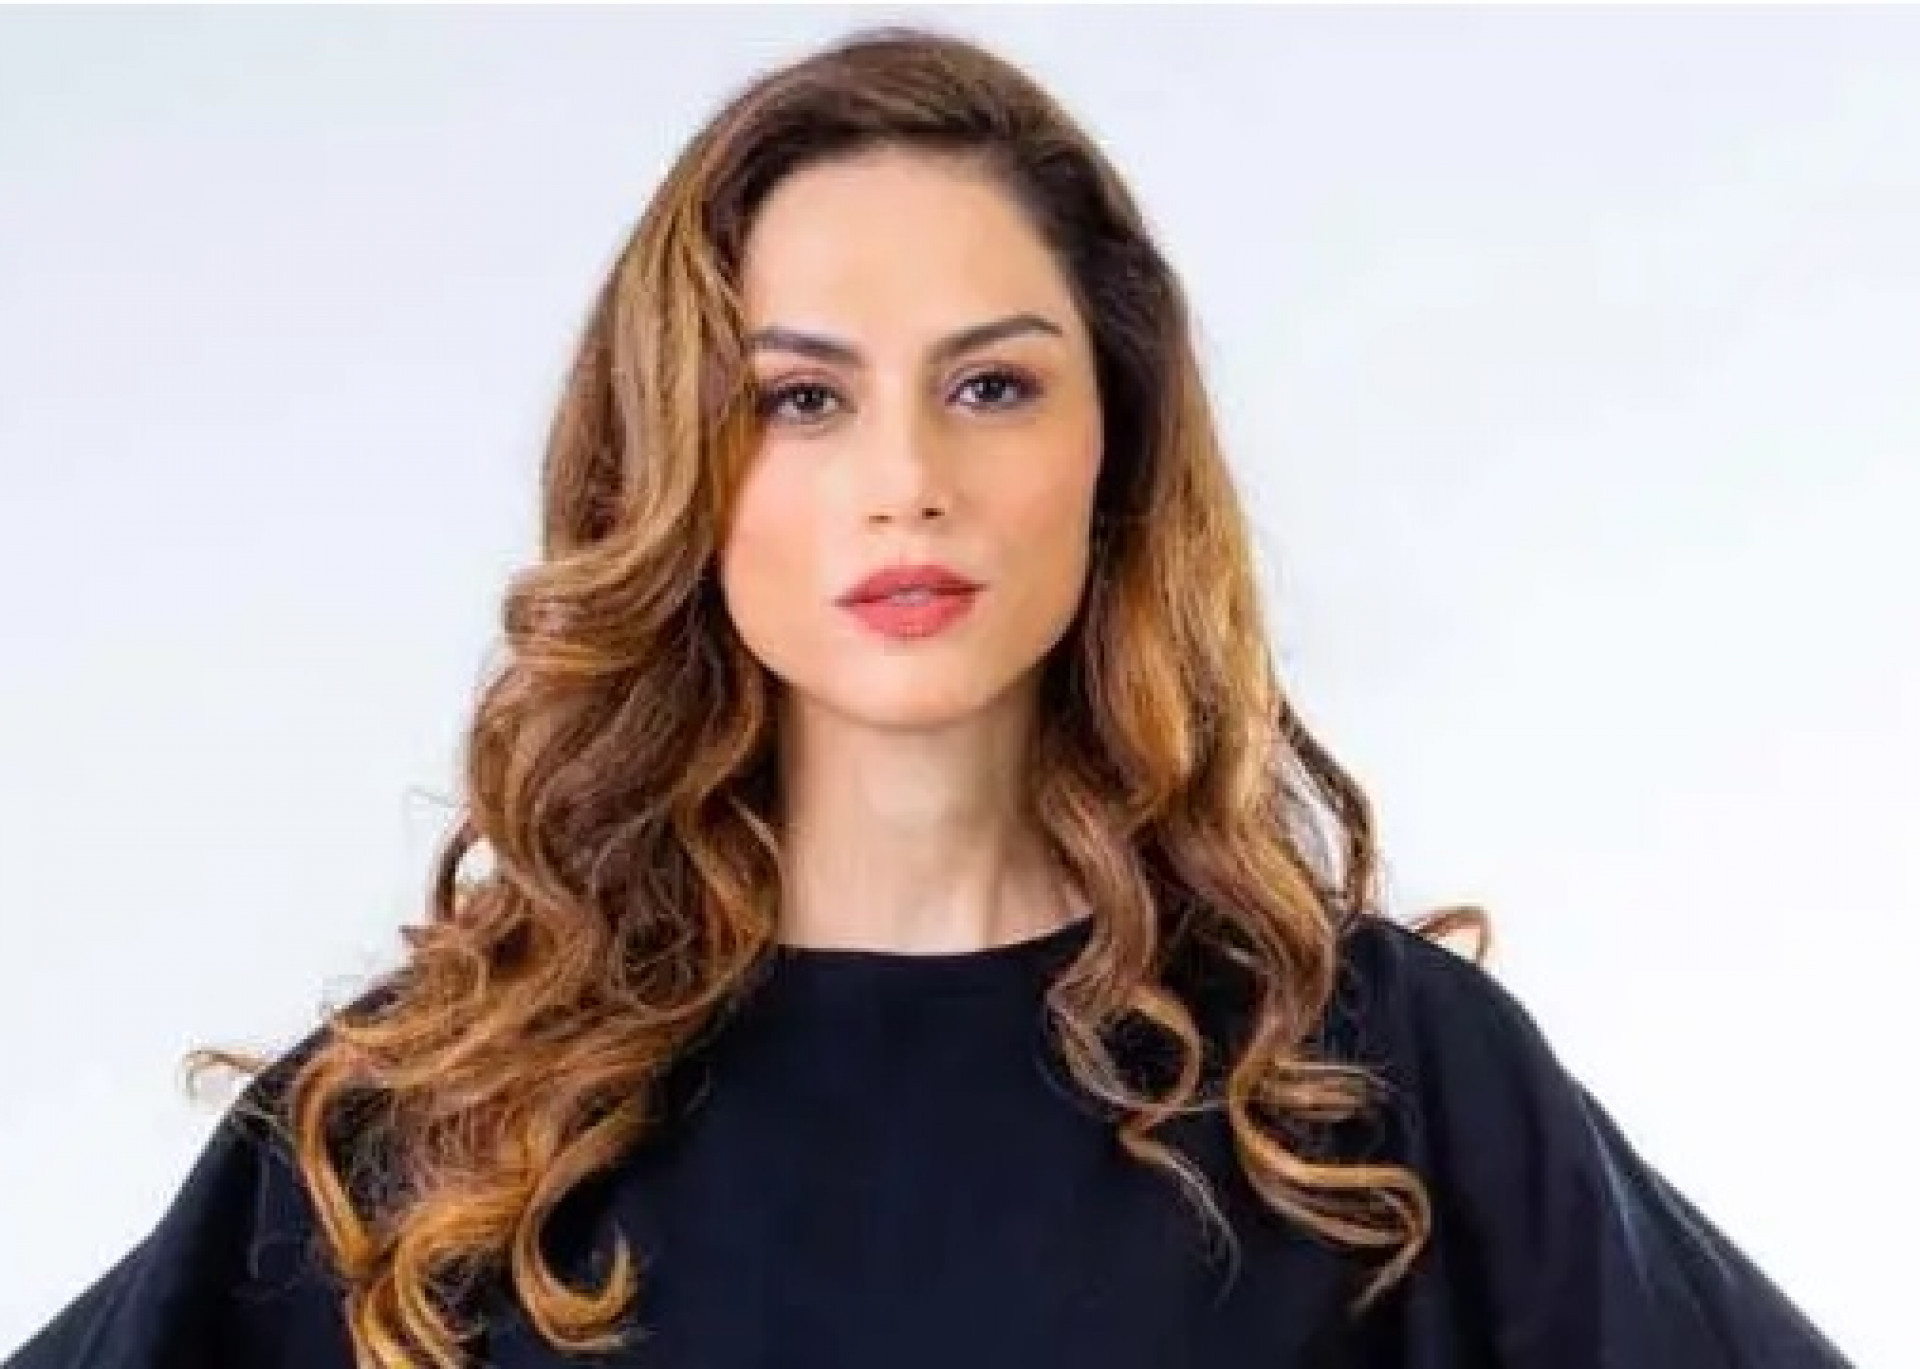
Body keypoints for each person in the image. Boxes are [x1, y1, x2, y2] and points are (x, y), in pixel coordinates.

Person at [7, 24, 1851, 1369]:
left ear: (1114, 443)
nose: (907, 480)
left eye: (991, 387)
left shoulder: (1363, 1084)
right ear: (678, 465)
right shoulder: (447, 1115)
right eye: (802, 399)